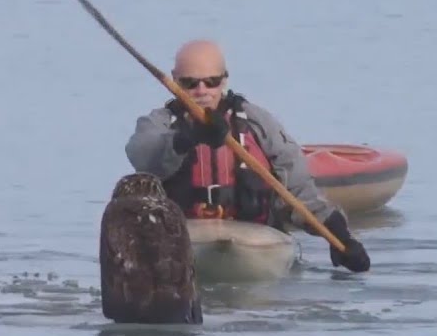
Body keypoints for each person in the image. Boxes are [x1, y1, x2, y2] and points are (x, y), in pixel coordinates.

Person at [124, 39, 371, 273]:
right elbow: (142, 155)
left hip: (255, 237)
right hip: (183, 235)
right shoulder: (159, 124)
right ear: (175, 81)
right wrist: (187, 138)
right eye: (190, 83)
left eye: (211, 81)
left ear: (224, 80)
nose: (202, 90)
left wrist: (340, 236)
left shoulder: (257, 122)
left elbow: (298, 189)